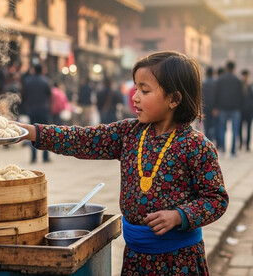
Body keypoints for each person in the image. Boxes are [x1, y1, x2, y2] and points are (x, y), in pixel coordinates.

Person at [16, 51, 229, 275]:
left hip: (178, 261)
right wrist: (33, 132)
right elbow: (84, 139)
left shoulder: (196, 145)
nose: (134, 96)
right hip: (135, 259)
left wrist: (180, 215)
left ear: (174, 99)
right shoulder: (129, 133)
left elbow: (216, 199)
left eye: (144, 90)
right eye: (136, 88)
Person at [21, 63, 51, 163]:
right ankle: (45, 157)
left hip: (32, 110)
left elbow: (23, 96)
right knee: (46, 133)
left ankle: (33, 157)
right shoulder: (45, 81)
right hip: (43, 109)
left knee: (32, 133)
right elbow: (49, 96)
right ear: (42, 70)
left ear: (34, 70)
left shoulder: (28, 81)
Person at [213, 60, 244, 157]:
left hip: (222, 107)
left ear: (226, 68)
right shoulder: (238, 80)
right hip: (235, 108)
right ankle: (233, 152)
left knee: (222, 128)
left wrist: (215, 107)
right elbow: (241, 95)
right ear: (234, 68)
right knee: (235, 130)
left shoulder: (220, 80)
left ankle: (222, 149)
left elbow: (216, 94)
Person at [202, 66, 217, 142]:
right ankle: (213, 140)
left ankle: (207, 140)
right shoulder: (216, 82)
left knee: (206, 126)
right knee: (214, 125)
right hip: (214, 107)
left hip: (205, 107)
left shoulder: (203, 82)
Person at [239, 69, 253, 151]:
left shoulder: (250, 86)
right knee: (240, 128)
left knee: (248, 129)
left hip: (249, 111)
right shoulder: (239, 85)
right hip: (240, 111)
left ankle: (247, 145)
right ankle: (241, 144)